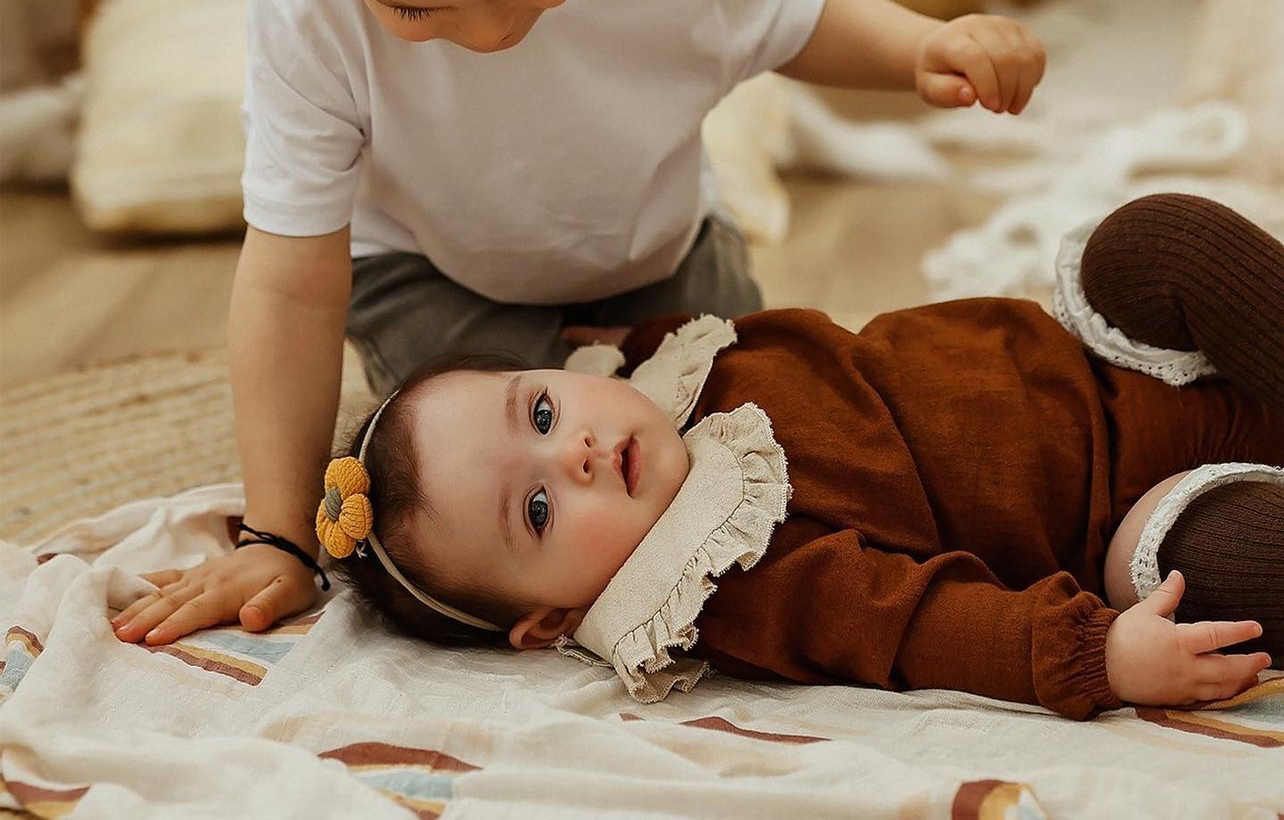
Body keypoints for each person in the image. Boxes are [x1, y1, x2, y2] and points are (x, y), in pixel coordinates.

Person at [110, 0, 1044, 650]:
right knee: (468, 491)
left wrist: (917, 47)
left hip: (654, 256)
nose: (488, 34)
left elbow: (783, 1)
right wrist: (277, 534)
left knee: (771, 433)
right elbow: (291, 272)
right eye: (414, 9)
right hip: (438, 279)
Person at [292, 194, 1279, 719]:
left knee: (1154, 242)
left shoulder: (665, 371)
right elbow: (918, 625)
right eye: (538, 511)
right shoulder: (733, 579)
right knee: (1228, 571)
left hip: (1109, 358)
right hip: (1134, 509)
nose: (577, 453)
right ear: (551, 617)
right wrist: (1097, 656)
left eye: (542, 411)